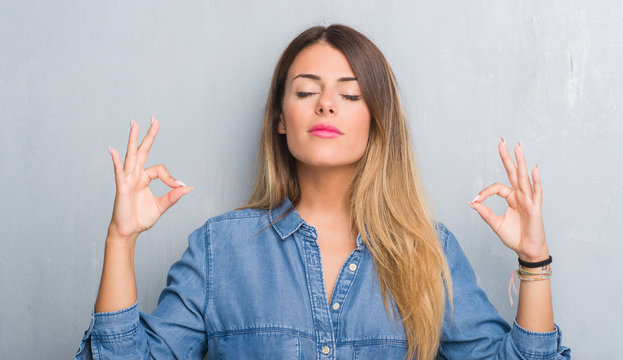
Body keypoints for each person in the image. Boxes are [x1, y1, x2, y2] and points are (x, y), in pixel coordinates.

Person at [76, 24, 570, 359]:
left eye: (351, 94)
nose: (327, 105)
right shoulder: (219, 250)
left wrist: (534, 261)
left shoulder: (429, 251)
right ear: (280, 122)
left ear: (377, 123)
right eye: (306, 91)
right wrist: (121, 240)